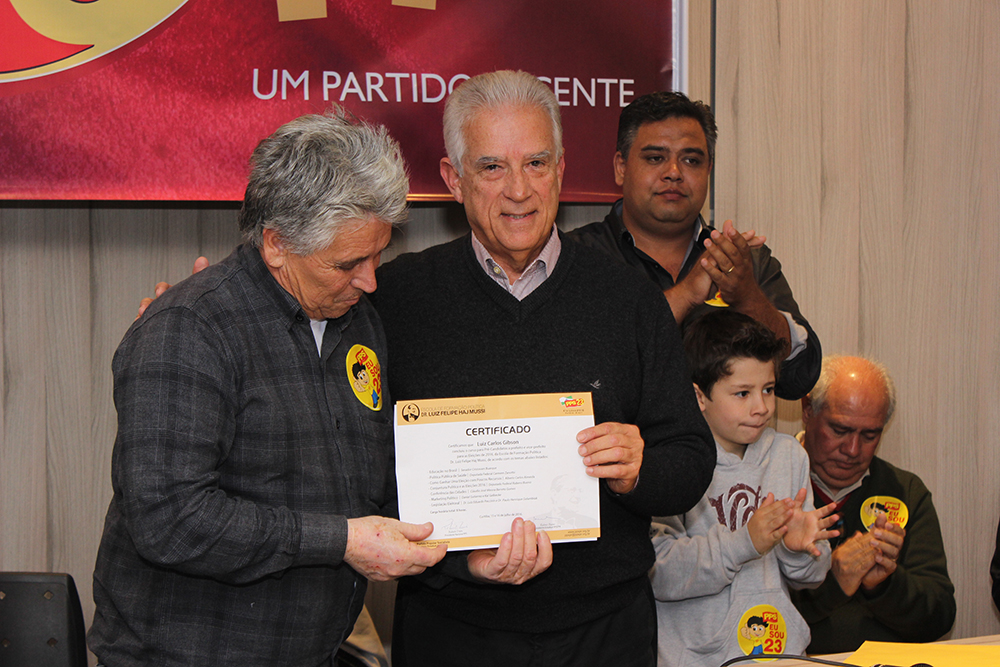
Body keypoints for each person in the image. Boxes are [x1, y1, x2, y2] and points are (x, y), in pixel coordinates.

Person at [372, 70, 716, 666]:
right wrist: (462, 564)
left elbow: (690, 457)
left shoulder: (629, 298)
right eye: (492, 167)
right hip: (451, 630)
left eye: (535, 163)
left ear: (561, 169)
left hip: (605, 632)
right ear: (454, 179)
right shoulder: (395, 299)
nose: (519, 190)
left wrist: (640, 469)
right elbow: (363, 471)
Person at [89, 109, 447, 667]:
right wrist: (343, 541)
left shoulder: (359, 322)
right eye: (348, 263)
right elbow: (170, 520)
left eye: (378, 254)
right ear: (277, 244)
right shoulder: (189, 329)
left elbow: (373, 480)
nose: (371, 280)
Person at [569, 91, 820, 400]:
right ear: (621, 167)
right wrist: (687, 293)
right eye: (655, 158)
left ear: (708, 170)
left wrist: (747, 297)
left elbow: (799, 376)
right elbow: (572, 373)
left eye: (691, 160)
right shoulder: (573, 258)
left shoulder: (741, 261)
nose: (674, 172)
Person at [650, 310, 836, 667]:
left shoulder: (788, 456)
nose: (761, 408)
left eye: (768, 390)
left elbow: (812, 577)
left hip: (780, 654)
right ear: (699, 396)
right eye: (742, 393)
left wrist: (798, 551)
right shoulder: (671, 461)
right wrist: (745, 542)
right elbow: (661, 573)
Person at [789, 355, 956, 653]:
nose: (853, 450)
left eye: (869, 435)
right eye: (839, 430)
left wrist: (883, 585)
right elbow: (746, 618)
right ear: (807, 410)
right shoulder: (767, 486)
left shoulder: (905, 491)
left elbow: (940, 616)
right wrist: (834, 581)